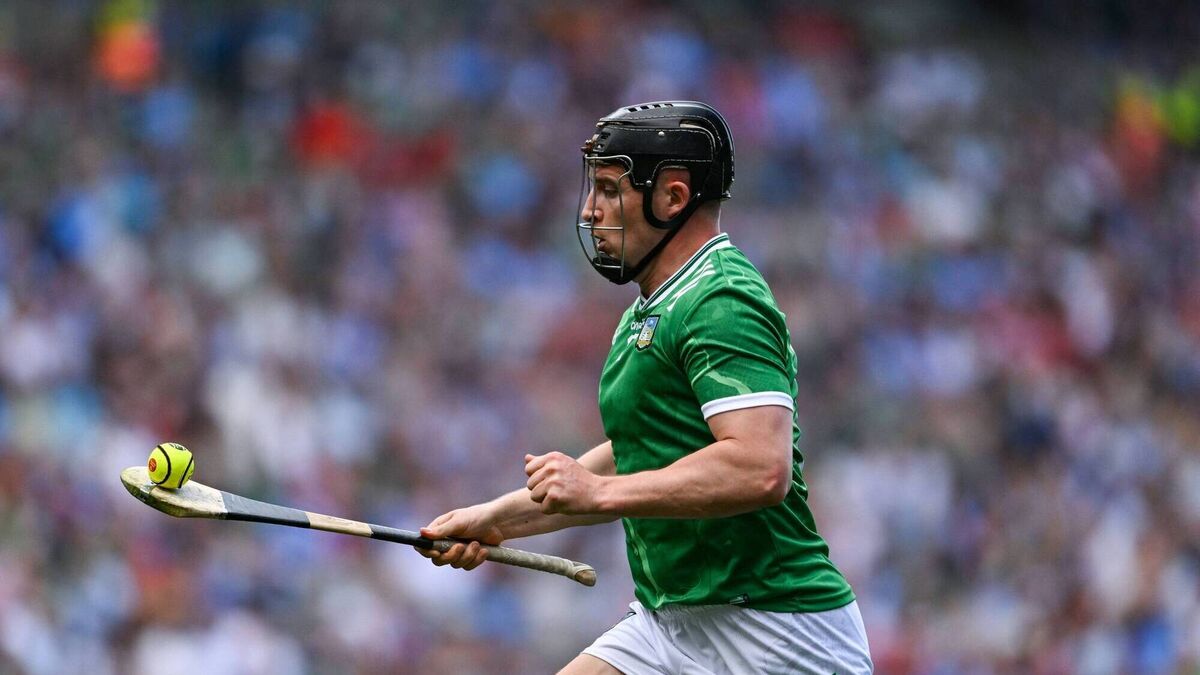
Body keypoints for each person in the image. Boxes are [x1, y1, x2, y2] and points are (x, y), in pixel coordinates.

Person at [418, 101, 873, 674]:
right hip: (672, 622)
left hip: (777, 631)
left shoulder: (721, 299)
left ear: (673, 197)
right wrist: (495, 520)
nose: (591, 209)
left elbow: (761, 467)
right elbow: (638, 453)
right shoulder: (653, 307)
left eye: (610, 190)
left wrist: (598, 494)